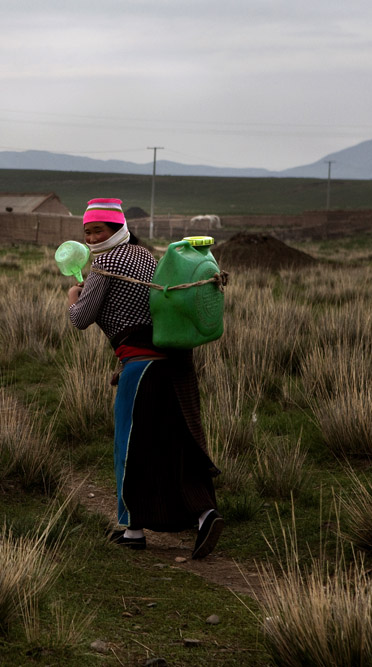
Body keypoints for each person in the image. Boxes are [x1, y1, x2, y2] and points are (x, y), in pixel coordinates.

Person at [66, 198, 222, 559]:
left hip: (141, 368)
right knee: (178, 442)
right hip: (175, 364)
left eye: (97, 230)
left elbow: (81, 318)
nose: (91, 238)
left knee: (130, 445)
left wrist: (73, 297)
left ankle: (134, 528)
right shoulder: (149, 257)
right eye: (87, 232)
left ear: (117, 228)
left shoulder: (104, 264)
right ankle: (203, 514)